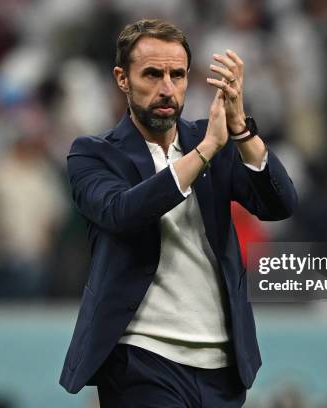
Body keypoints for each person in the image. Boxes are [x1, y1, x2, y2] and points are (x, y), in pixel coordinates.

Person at [59, 19, 297, 407]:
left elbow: (279, 204)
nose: (166, 88)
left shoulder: (214, 138)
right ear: (122, 78)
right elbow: (122, 212)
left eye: (177, 74)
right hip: (141, 357)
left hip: (222, 362)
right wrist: (204, 152)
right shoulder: (93, 153)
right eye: (152, 74)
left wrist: (240, 131)